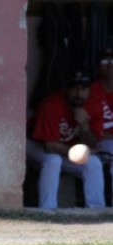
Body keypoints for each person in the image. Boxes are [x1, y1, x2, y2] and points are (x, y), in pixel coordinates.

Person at [26, 70, 106, 209]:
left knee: (93, 163)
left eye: (83, 89)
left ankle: (96, 210)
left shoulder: (94, 105)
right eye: (74, 88)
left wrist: (85, 127)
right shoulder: (51, 104)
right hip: (34, 145)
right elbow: (49, 146)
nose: (78, 93)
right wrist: (76, 153)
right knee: (53, 160)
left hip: (65, 150)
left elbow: (93, 143)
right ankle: (47, 210)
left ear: (89, 90)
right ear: (65, 89)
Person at [89, 48, 113, 199]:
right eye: (105, 61)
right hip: (97, 141)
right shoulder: (92, 90)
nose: (110, 65)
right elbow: (94, 133)